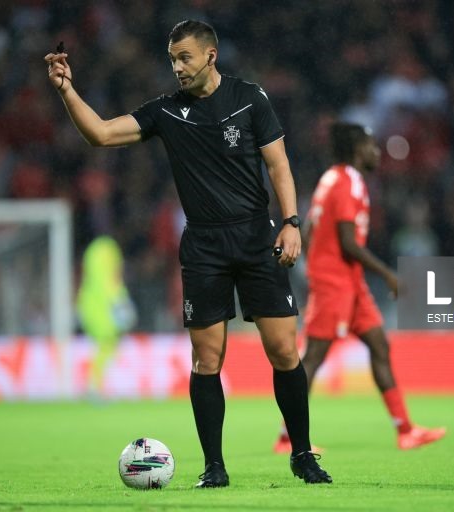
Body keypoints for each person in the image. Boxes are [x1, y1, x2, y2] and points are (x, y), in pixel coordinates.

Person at [46, 20, 331, 486]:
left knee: (283, 350)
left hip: (257, 238)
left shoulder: (249, 98)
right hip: (204, 246)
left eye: (185, 58)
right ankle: (214, 466)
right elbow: (100, 134)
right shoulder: (166, 111)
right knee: (207, 359)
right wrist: (66, 91)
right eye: (172, 59)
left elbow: (278, 164)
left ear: (210, 56)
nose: (177, 67)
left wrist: (292, 222)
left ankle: (302, 454)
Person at [273, 123, 446, 453]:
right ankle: (287, 437)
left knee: (379, 345)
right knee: (314, 356)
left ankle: (406, 431)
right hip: (335, 283)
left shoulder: (330, 179)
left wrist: (316, 264)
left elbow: (309, 232)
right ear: (357, 149)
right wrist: (388, 275)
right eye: (371, 146)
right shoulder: (348, 183)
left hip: (348, 282)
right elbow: (348, 243)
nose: (377, 152)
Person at [76, 236, 138, 398]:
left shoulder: (92, 252)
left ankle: (95, 385)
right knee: (106, 346)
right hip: (105, 310)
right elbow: (112, 284)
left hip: (88, 304)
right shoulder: (110, 254)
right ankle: (94, 386)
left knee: (103, 347)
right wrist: (123, 303)